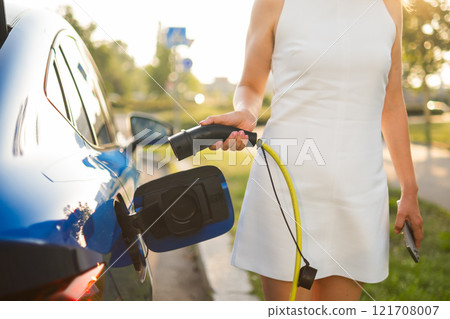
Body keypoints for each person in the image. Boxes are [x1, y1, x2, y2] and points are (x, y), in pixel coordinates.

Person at [199, 0, 423, 301]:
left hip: (359, 190)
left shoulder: (389, 5)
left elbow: (393, 103)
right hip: (286, 185)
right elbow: (251, 84)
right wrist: (247, 113)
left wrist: (409, 189)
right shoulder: (273, 3)